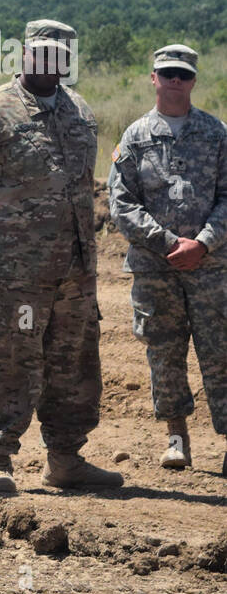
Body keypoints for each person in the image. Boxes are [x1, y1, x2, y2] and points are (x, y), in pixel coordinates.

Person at [0, 19, 122, 494]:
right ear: (23, 54)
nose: (49, 61)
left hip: (73, 274)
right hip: (8, 276)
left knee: (73, 367)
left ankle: (66, 459)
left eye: (59, 54)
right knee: (6, 362)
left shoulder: (79, 112)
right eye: (40, 52)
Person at [108, 43, 227, 473]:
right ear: (153, 78)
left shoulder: (217, 134)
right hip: (155, 268)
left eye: (184, 73)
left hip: (213, 267)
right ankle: (176, 437)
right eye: (168, 73)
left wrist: (204, 242)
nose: (176, 80)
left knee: (221, 351)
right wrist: (167, 244)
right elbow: (121, 204)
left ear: (194, 80)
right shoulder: (135, 138)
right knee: (164, 352)